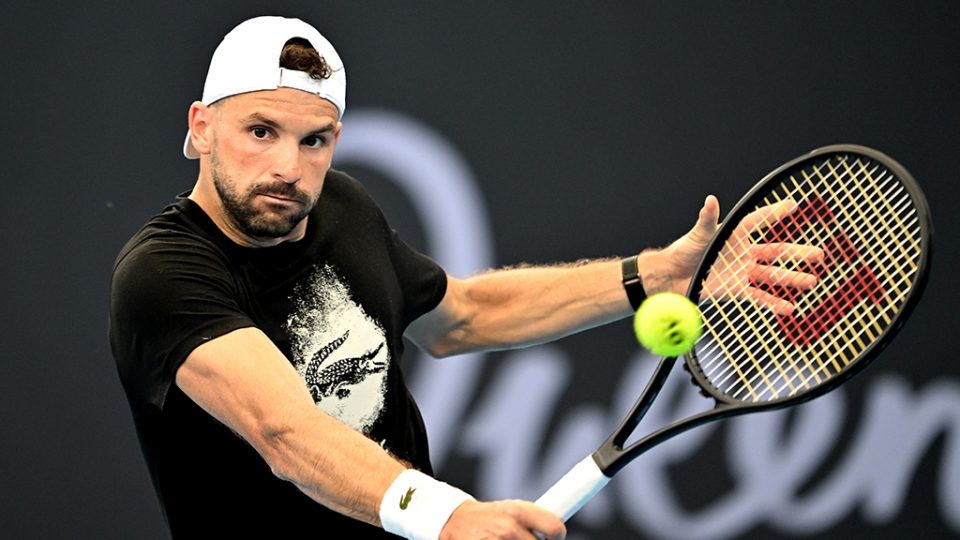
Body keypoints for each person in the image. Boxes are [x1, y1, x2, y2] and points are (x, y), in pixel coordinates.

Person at [109, 15, 818, 540]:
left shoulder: (344, 208)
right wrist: (447, 517)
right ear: (201, 127)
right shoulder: (164, 274)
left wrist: (656, 276)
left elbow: (466, 315)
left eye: (314, 140)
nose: (288, 169)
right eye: (259, 131)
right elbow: (286, 432)